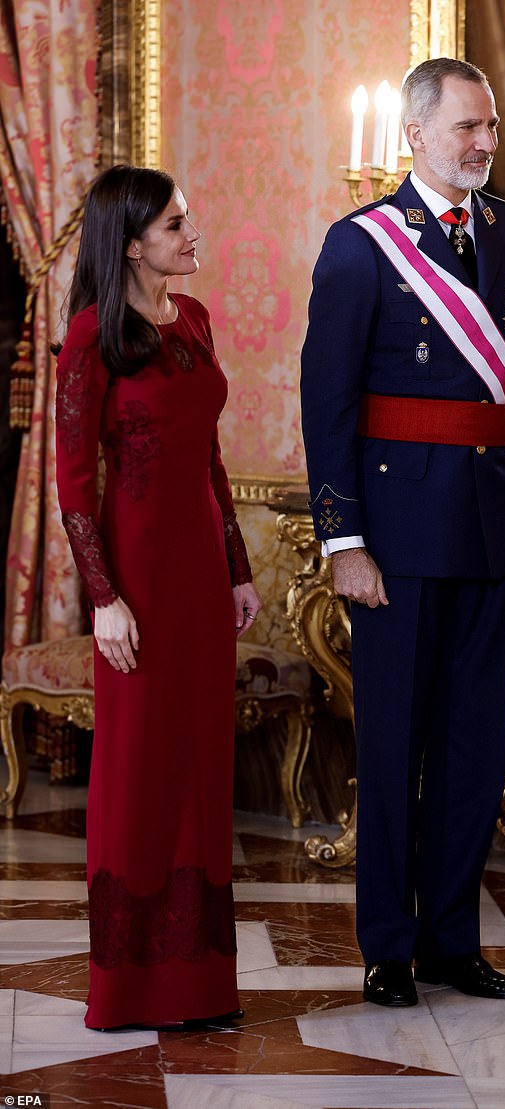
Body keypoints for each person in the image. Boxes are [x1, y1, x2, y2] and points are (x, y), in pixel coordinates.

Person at [301, 57, 505, 1009]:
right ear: (416, 135)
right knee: (396, 740)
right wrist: (344, 542)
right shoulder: (361, 244)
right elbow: (327, 404)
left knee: (471, 747)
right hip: (397, 533)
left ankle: (454, 939)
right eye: (466, 128)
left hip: (492, 521)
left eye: (490, 126)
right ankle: (389, 946)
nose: (485, 143)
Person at [55, 164, 262, 1031]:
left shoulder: (198, 319)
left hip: (202, 581)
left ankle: (199, 984)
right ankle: (130, 988)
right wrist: (105, 599)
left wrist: (240, 566)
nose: (193, 231)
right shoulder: (91, 335)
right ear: (134, 241)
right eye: (177, 222)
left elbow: (210, 459)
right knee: (138, 769)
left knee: (202, 767)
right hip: (134, 578)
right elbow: (71, 486)